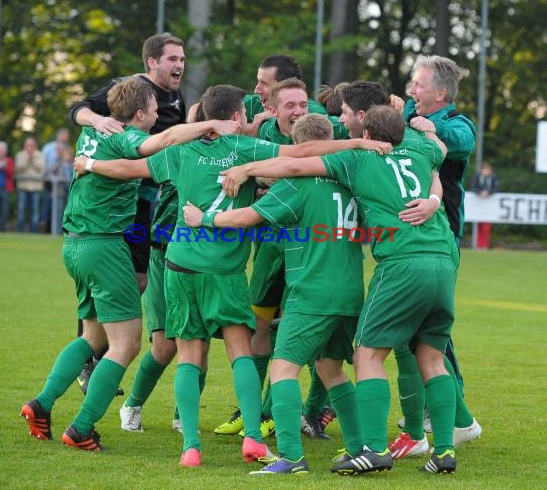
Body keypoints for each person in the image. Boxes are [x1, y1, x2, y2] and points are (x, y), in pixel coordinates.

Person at [73, 84, 391, 466]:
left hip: (181, 264)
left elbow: (130, 169)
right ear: (237, 117)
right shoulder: (246, 149)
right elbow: (300, 153)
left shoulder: (180, 151)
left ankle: (190, 446)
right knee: (242, 351)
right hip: (227, 270)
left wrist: (89, 165)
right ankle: (254, 438)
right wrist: (356, 145)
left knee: (189, 354)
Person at [216, 104, 461, 475]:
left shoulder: (345, 167)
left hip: (327, 286)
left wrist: (212, 208)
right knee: (347, 366)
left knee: (295, 367)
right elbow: (439, 153)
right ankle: (436, 451)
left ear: (362, 136)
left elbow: (291, 170)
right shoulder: (414, 150)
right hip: (434, 263)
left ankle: (297, 458)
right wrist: (434, 194)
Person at [20, 77, 241, 451]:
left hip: (75, 243)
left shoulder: (94, 134)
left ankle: (40, 405)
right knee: (125, 345)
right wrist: (210, 124)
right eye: (155, 108)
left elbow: (129, 150)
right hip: (104, 246)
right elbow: (162, 141)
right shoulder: (125, 137)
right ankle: (82, 428)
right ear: (140, 113)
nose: (159, 114)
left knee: (93, 337)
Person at [182, 113, 366, 474]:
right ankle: (359, 448)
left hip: (314, 290)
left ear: (298, 148)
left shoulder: (298, 185)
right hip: (350, 290)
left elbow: (247, 217)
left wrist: (201, 219)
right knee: (331, 369)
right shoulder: (348, 179)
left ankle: (291, 458)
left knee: (282, 370)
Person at [68, 33, 187, 395]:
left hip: (151, 201)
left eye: (182, 58)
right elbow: (78, 109)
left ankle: (96, 352)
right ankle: (91, 359)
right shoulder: (129, 88)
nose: (179, 65)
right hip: (124, 203)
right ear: (152, 61)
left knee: (138, 280)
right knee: (123, 280)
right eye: (172, 59)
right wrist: (96, 120)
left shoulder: (177, 98)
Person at [393, 55, 481, 456]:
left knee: (431, 329)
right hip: (414, 243)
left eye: (418, 84)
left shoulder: (457, 124)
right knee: (423, 328)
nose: (412, 90)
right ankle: (445, 413)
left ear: (441, 93)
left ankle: (455, 417)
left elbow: (461, 143)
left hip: (441, 242)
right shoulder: (411, 113)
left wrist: (432, 128)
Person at [41, 128, 73, 234]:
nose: (66, 138)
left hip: (67, 183)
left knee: (66, 209)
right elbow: (45, 166)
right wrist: (59, 156)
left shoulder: (68, 149)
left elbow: (70, 166)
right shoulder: (49, 148)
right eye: (65, 135)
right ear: (59, 136)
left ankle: (63, 231)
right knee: (54, 209)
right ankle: (55, 231)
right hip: (53, 184)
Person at [15, 137, 45, 233]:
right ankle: (20, 230)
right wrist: (27, 158)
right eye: (28, 145)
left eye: (32, 145)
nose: (30, 147)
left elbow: (41, 167)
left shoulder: (40, 155)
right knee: (21, 209)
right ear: (25, 146)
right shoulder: (20, 155)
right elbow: (19, 168)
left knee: (35, 210)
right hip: (23, 186)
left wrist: (33, 159)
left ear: (35, 146)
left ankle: (34, 231)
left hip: (35, 187)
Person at [471, 162, 498, 249]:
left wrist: (488, 193)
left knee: (486, 227)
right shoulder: (477, 177)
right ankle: (478, 244)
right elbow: (473, 188)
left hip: (489, 207)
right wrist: (480, 193)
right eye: (485, 170)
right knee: (478, 226)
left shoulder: (493, 178)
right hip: (478, 206)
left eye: (488, 170)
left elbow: (496, 189)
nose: (487, 171)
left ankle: (484, 245)